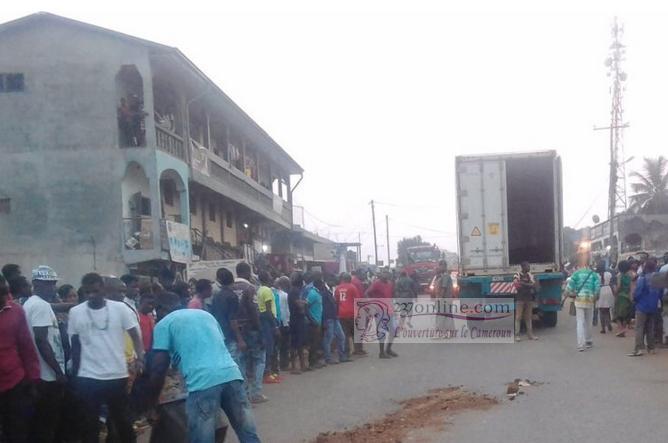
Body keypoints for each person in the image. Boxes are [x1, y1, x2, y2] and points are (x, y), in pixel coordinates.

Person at [145, 292, 261, 443]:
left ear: (160, 310)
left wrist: (152, 403)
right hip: (232, 375)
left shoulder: (163, 324)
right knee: (247, 433)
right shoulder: (206, 316)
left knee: (202, 439)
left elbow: (159, 368)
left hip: (202, 384)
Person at [68, 272, 145, 443]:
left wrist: (140, 358)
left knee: (123, 422)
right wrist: (75, 374)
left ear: (103, 289)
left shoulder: (120, 309)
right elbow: (75, 345)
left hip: (116, 376)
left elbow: (135, 334)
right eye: (87, 292)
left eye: (95, 291)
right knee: (90, 425)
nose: (91, 296)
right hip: (88, 378)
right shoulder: (76, 312)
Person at [23, 266, 68, 443]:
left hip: (40, 373)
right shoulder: (40, 306)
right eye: (48, 284)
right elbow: (41, 340)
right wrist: (58, 372)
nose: (52, 287)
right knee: (47, 423)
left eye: (54, 283)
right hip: (47, 376)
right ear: (36, 284)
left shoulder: (33, 303)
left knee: (40, 423)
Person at [0, 273, 40, 443]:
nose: (4, 296)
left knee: (17, 430)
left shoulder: (16, 311)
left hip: (15, 382)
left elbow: (27, 346)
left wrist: (34, 378)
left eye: (5, 291)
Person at [232, 262, 267, 403]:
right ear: (247, 272)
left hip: (235, 330)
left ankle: (244, 393)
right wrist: (260, 330)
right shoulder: (249, 288)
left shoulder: (229, 287)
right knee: (260, 359)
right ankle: (256, 393)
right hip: (250, 329)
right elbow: (253, 310)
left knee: (243, 362)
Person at [628, 258, 663, 357]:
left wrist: (634, 299)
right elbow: (660, 293)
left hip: (642, 306)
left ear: (645, 267)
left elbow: (638, 292)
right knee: (650, 327)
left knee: (639, 328)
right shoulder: (657, 278)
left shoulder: (642, 279)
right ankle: (651, 347)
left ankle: (638, 349)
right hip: (653, 306)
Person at [567, 254, 601, 352]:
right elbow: (597, 287)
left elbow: (570, 288)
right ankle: (589, 340)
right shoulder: (593, 274)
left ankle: (580, 345)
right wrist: (595, 295)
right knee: (588, 321)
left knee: (580, 322)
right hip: (590, 300)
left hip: (579, 300)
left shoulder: (576, 274)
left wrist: (569, 293)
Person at [211, 268, 244, 365]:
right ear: (232, 280)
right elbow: (233, 320)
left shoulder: (217, 296)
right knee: (234, 363)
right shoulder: (232, 296)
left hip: (219, 334)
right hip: (230, 335)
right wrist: (240, 339)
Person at [365, 270, 398, 359]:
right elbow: (367, 293)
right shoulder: (376, 284)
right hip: (380, 311)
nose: (386, 275)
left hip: (389, 310)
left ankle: (388, 349)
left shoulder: (390, 284)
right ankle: (381, 352)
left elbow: (391, 295)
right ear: (381, 275)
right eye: (384, 273)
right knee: (381, 331)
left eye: (387, 273)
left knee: (394, 330)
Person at [320, 276, 349, 365]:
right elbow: (323, 307)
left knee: (341, 337)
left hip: (334, 317)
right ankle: (328, 358)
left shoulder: (329, 290)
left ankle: (341, 356)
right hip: (329, 318)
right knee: (329, 338)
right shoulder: (324, 291)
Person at [256, 271, 279, 383]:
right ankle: (267, 373)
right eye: (270, 275)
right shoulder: (267, 290)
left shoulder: (259, 289)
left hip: (262, 318)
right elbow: (268, 309)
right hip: (268, 319)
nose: (271, 277)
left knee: (268, 346)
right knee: (269, 347)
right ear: (267, 278)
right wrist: (275, 325)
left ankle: (268, 371)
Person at [335, 273, 365, 357]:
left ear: (343, 279)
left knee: (345, 334)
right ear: (349, 280)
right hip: (352, 313)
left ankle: (346, 353)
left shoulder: (337, 288)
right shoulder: (352, 287)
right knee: (356, 332)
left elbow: (336, 301)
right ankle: (358, 350)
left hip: (341, 313)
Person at [513, 262, 538, 342]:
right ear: (523, 267)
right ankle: (517, 335)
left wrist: (524, 284)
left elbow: (534, 285)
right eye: (528, 266)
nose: (529, 267)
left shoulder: (530, 275)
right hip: (520, 299)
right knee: (518, 317)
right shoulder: (517, 275)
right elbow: (517, 285)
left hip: (529, 299)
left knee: (528, 317)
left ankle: (530, 335)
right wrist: (528, 285)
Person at [288, 272, 307, 374]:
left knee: (297, 343)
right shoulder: (294, 291)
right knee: (296, 344)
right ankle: (296, 366)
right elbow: (299, 304)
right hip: (296, 319)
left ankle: (301, 365)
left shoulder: (294, 290)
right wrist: (304, 303)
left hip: (295, 318)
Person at [305, 272, 325, 369]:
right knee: (313, 343)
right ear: (319, 285)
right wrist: (311, 319)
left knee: (316, 343)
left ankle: (315, 361)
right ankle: (312, 363)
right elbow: (306, 306)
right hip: (314, 322)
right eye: (322, 284)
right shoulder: (312, 293)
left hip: (318, 321)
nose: (323, 286)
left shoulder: (317, 293)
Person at [274, 276, 291, 372]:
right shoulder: (285, 295)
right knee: (284, 344)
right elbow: (287, 310)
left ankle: (278, 364)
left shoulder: (273, 294)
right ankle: (284, 364)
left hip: (276, 323)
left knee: (277, 345)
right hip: (284, 322)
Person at [614, 260, 635, 337]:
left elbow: (619, 286)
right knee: (625, 314)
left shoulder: (620, 276)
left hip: (620, 297)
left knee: (618, 315)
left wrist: (615, 292)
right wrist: (631, 298)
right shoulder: (630, 276)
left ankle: (621, 329)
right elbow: (631, 288)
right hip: (627, 296)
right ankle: (623, 329)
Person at [596, 260, 615, 334]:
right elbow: (612, 283)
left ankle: (603, 328)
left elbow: (596, 285)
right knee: (607, 310)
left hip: (601, 290)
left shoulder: (596, 275)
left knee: (601, 311)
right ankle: (608, 323)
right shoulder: (609, 274)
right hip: (608, 289)